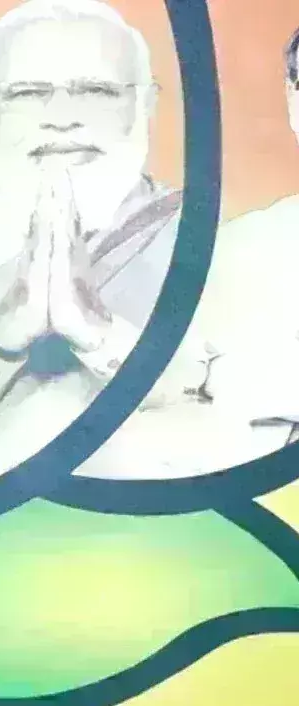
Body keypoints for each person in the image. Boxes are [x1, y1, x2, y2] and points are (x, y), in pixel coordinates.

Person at [0, 0, 272, 505]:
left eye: (95, 91)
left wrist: (99, 335)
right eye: (28, 93)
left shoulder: (233, 249)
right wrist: (0, 338)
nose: (61, 119)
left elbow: (249, 447)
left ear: (146, 105)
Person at [186, 23, 299, 453]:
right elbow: (182, 384)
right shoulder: (235, 249)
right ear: (293, 101)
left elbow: (228, 385)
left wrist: (238, 375)